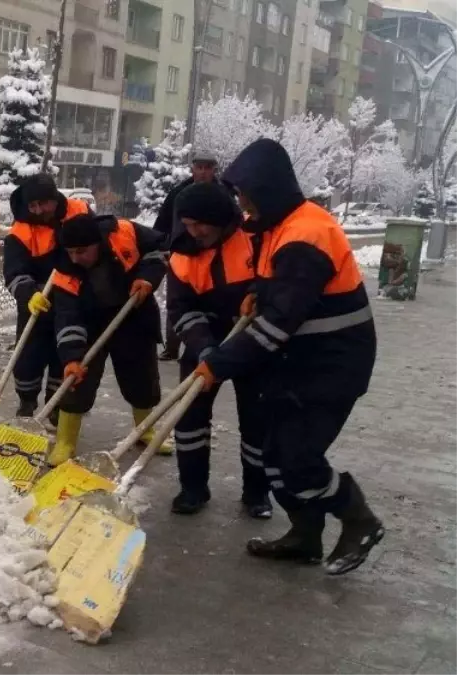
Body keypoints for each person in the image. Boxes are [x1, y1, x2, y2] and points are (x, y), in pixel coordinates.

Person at [193, 138, 382, 576]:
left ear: (266, 189)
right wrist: (258, 292)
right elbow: (280, 287)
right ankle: (305, 536)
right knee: (275, 453)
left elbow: (278, 324)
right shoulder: (280, 226)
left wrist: (218, 364)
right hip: (301, 362)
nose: (241, 204)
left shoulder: (305, 235)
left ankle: (359, 519)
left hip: (332, 364)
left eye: (244, 195)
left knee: (297, 457)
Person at [165, 181, 272, 519]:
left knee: (258, 420)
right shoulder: (183, 254)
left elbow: (276, 286)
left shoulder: (255, 241)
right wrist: (205, 348)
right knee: (190, 416)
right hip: (205, 339)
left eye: (200, 224)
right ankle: (193, 488)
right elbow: (180, 309)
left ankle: (257, 493)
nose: (194, 232)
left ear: (220, 219)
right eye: (188, 225)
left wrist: (258, 294)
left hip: (252, 342)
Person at [28, 213, 170, 464]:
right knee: (76, 379)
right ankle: (65, 441)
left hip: (132, 313)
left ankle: (145, 429)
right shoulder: (65, 267)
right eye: (70, 252)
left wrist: (147, 277)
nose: (75, 258)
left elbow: (158, 249)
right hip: (89, 321)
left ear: (98, 243)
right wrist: (72, 357)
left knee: (141, 377)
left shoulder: (124, 233)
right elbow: (68, 315)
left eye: (81, 251)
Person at [2, 175, 92, 417]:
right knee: (28, 356)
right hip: (37, 301)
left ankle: (55, 408)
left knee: (63, 353)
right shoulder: (21, 231)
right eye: (32, 206)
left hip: (72, 297)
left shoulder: (79, 212)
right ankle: (27, 404)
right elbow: (13, 272)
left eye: (43, 203)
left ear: (55, 198)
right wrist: (29, 294)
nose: (38, 210)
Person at [154, 152, 220, 361]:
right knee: (178, 300)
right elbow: (162, 225)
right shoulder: (178, 194)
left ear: (214, 170)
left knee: (210, 302)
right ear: (192, 169)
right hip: (180, 255)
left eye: (207, 168)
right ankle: (172, 347)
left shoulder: (223, 193)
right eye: (199, 167)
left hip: (214, 257)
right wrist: (164, 247)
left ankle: (205, 346)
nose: (202, 172)